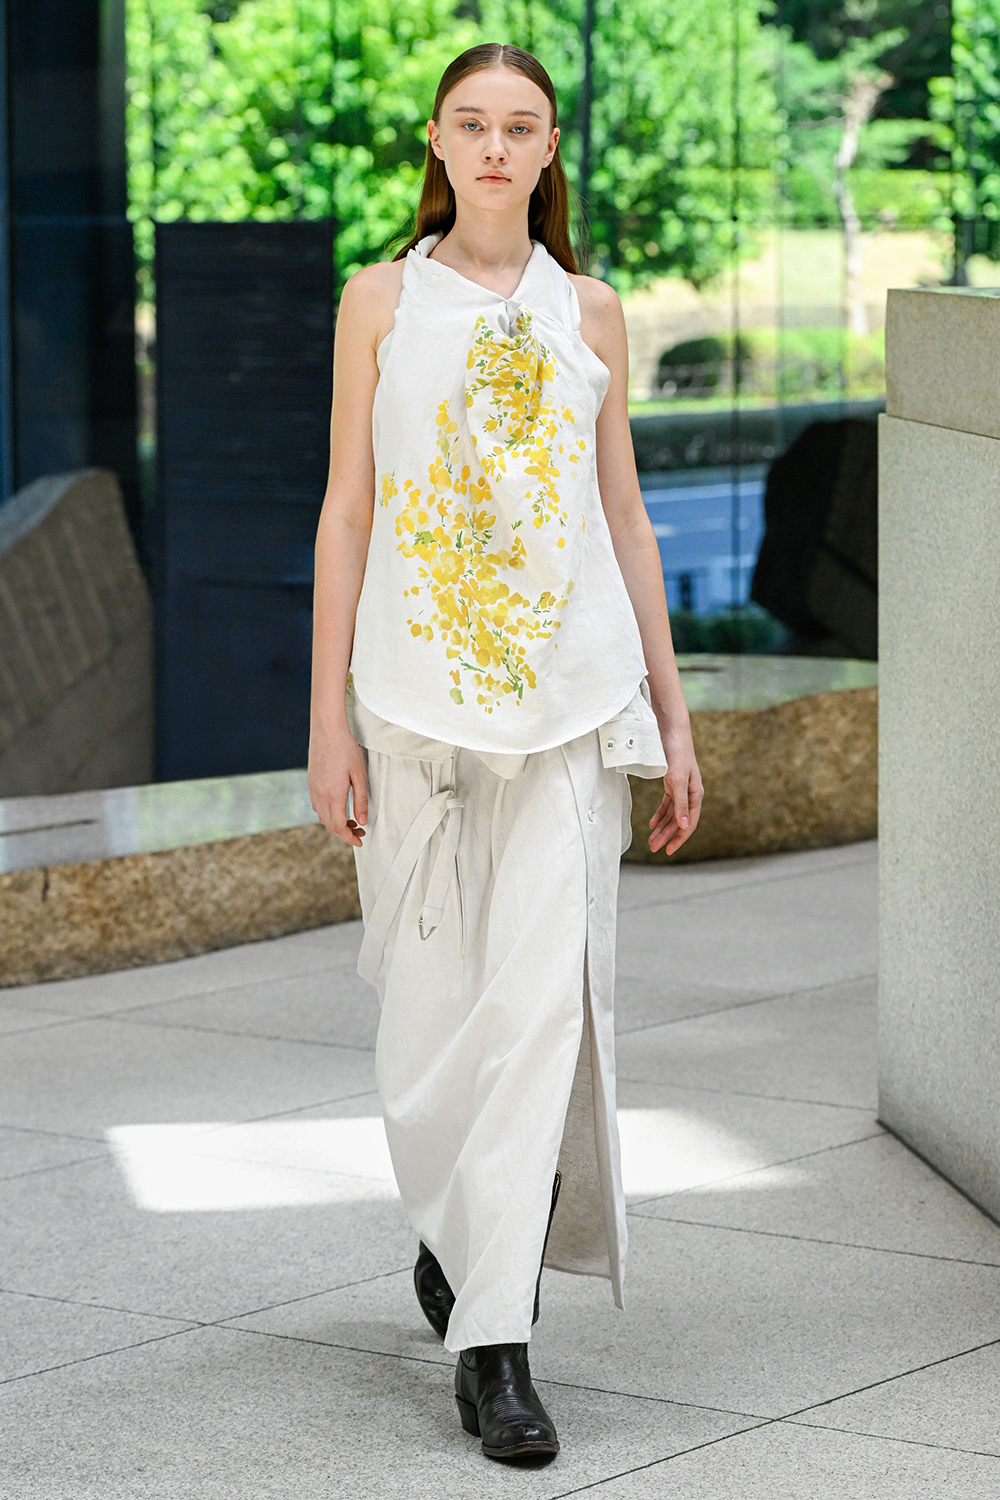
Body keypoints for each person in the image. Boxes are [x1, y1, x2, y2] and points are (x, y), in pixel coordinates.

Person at [308, 41, 704, 1464]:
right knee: (431, 1024)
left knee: (542, 1012)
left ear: (546, 151)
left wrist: (672, 717)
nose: (493, 147)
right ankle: (452, 1231)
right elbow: (348, 509)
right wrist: (326, 720)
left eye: (519, 126)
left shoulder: (588, 311)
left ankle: (499, 1346)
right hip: (413, 707)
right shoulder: (379, 301)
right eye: (470, 124)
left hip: (571, 708)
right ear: (436, 140)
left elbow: (626, 518)